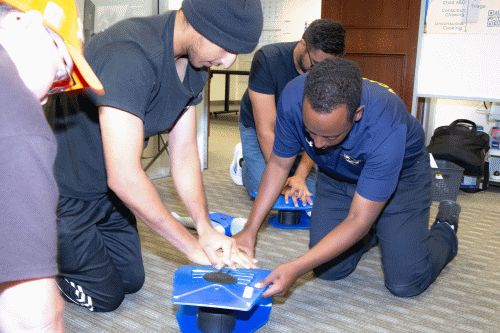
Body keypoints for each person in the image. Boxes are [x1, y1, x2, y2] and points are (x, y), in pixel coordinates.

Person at [46, 0, 263, 313]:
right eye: (226, 47)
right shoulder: (129, 55)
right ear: (196, 22)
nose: (229, 62)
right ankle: (41, 259)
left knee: (131, 280)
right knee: (107, 297)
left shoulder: (198, 63)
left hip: (107, 197)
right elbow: (124, 176)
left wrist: (204, 227)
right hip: (64, 195)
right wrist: (190, 247)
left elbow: (185, 151)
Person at [236, 58, 461, 298]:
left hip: (402, 179)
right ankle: (378, 229)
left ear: (357, 115)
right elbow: (279, 164)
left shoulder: (385, 125)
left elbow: (357, 219)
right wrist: (250, 230)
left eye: (330, 136)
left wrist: (296, 268)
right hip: (337, 175)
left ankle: (445, 227)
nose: (318, 145)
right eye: (310, 132)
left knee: (405, 283)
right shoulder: (293, 97)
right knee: (329, 270)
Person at [0, 0, 104, 331]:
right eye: (60, 72)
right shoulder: (17, 118)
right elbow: (31, 317)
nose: (48, 97)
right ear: (25, 23)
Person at [230, 19, 345, 204]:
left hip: (302, 130)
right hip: (260, 126)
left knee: (316, 191)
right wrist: (281, 179)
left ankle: (293, 166)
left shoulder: (327, 71)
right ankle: (243, 162)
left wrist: (299, 176)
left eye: (326, 67)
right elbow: (266, 129)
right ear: (302, 45)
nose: (319, 72)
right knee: (265, 188)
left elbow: (320, 131)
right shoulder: (267, 59)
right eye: (315, 64)